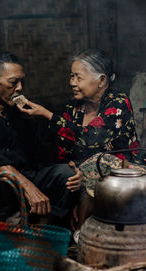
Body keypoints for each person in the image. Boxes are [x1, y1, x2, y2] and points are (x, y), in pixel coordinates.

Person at [17, 48, 146, 228]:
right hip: (83, 175)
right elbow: (65, 151)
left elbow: (93, 139)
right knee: (68, 175)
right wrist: (74, 170)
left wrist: (48, 115)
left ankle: (81, 232)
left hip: (123, 171)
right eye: (71, 76)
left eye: (79, 77)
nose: (72, 83)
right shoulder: (73, 108)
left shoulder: (118, 102)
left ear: (101, 81)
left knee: (96, 163)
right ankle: (55, 233)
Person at [0, 52, 82, 225]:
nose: (19, 88)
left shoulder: (23, 114)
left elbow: (41, 159)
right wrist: (28, 187)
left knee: (66, 175)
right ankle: (14, 224)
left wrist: (70, 168)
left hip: (25, 182)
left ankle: (43, 231)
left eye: (22, 82)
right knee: (3, 182)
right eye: (13, 82)